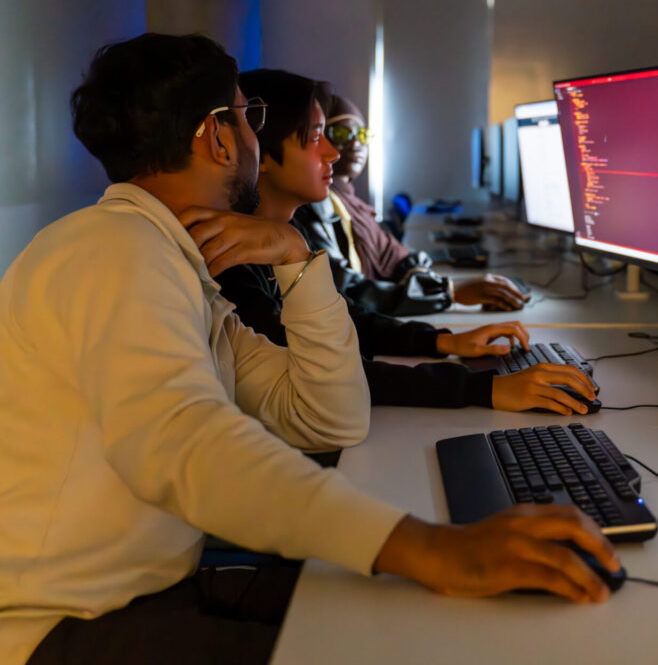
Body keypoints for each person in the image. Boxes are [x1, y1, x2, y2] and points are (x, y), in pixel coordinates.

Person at [0, 34, 619, 665]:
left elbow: (330, 417)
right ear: (216, 136)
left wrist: (299, 262)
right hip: (61, 629)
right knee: (415, 643)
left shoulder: (171, 265)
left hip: (140, 596)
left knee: (423, 623)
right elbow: (189, 445)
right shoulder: (116, 254)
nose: (253, 135)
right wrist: (430, 548)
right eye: (249, 117)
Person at [217, 68, 595, 416]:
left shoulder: (275, 244)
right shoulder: (235, 266)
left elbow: (346, 317)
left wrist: (443, 342)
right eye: (316, 137)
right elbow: (327, 372)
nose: (332, 151)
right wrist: (483, 388)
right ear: (261, 153)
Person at [294, 92, 528, 314]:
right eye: (341, 135)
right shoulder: (317, 207)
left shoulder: (352, 204)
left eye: (362, 134)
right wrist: (449, 292)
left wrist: (424, 277)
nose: (356, 143)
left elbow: (396, 255)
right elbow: (349, 293)